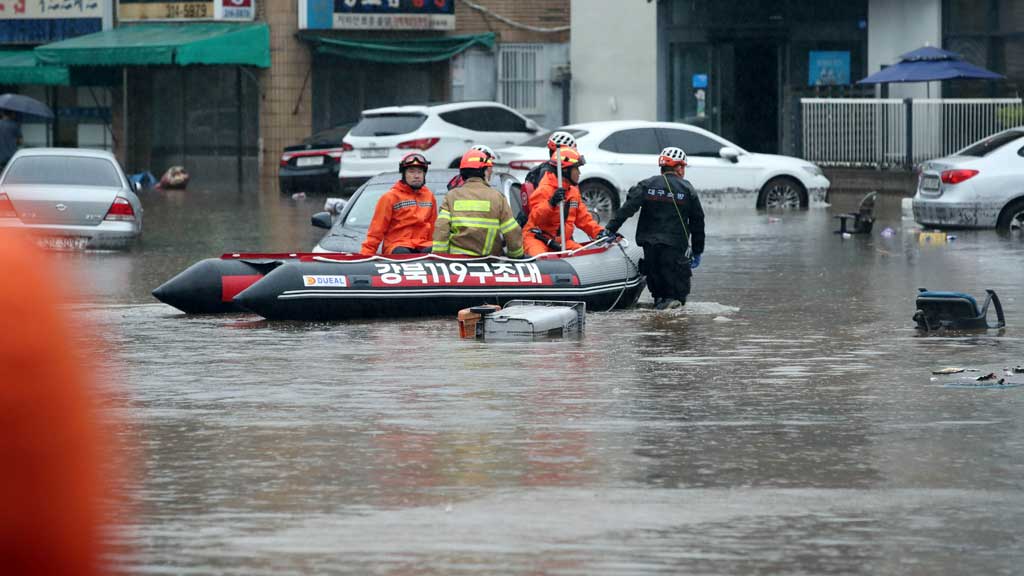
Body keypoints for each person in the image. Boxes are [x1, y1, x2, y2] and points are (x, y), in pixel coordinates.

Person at [603, 146, 705, 310]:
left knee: (658, 298)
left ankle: (656, 333)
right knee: (677, 299)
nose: (683, 170)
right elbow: (698, 222)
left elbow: (626, 210)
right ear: (678, 167)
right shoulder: (687, 189)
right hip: (675, 252)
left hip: (650, 249)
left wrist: (610, 229)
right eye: (683, 166)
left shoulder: (646, 185)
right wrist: (698, 250)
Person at [432, 148, 524, 258]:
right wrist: (516, 256)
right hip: (490, 264)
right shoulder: (497, 197)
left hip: (457, 263)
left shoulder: (451, 196)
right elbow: (511, 231)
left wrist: (439, 258)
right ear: (484, 171)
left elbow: (441, 229)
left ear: (462, 172)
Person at [522, 146, 607, 256]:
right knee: (540, 258)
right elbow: (535, 219)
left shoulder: (573, 192)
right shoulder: (544, 189)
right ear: (565, 170)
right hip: (537, 239)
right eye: (576, 169)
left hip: (562, 242)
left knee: (584, 256)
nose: (579, 173)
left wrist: (599, 233)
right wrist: (551, 203)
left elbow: (584, 220)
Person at [360, 152, 437, 255]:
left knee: (435, 250)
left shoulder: (429, 196)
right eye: (411, 172)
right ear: (404, 174)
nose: (416, 176)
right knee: (402, 252)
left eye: (420, 172)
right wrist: (365, 256)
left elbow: (433, 228)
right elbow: (376, 231)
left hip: (423, 244)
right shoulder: (389, 197)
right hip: (396, 245)